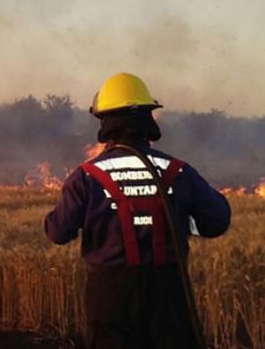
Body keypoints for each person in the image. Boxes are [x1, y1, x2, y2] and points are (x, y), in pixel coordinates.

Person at [44, 73, 231, 349]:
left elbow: (58, 232)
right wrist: (182, 220)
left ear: (105, 121)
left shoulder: (87, 176)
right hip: (169, 296)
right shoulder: (177, 171)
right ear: (148, 120)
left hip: (111, 300)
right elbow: (217, 220)